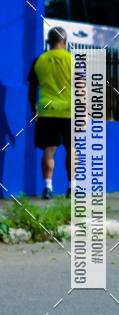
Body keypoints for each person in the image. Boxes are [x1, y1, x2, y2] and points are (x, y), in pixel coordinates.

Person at [28, 27, 74, 198]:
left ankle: (48, 187)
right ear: (65, 42)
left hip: (47, 112)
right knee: (72, 148)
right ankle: (72, 188)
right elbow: (82, 88)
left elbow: (33, 88)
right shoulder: (73, 60)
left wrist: (34, 107)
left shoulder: (40, 60)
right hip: (69, 111)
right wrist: (84, 112)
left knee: (49, 150)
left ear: (49, 42)